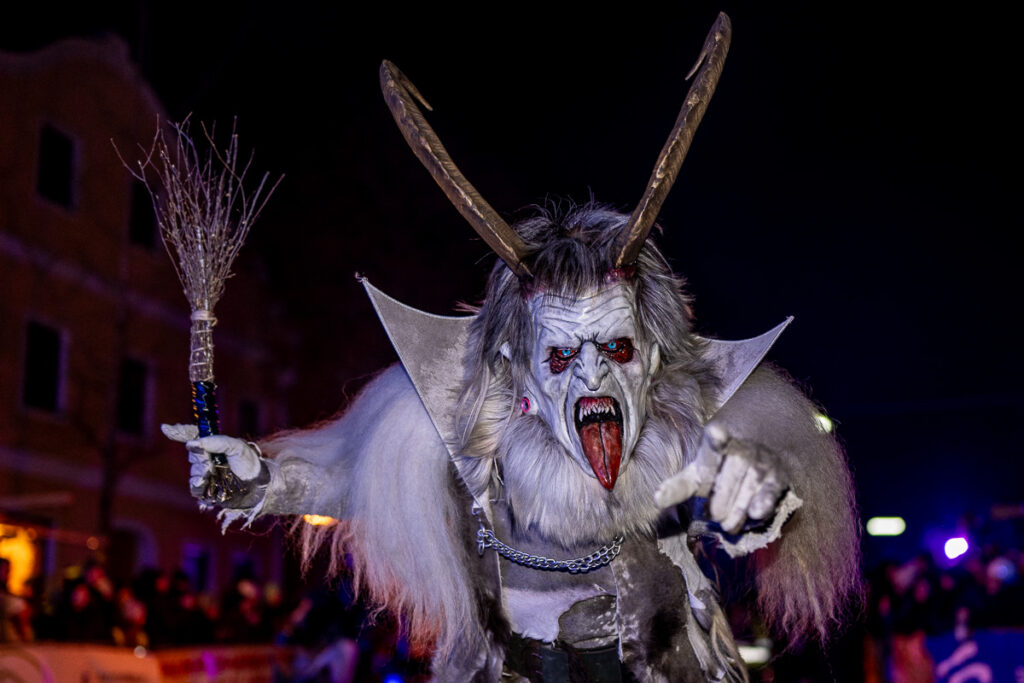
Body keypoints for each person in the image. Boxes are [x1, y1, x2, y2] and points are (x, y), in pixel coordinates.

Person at [165, 13, 860, 681]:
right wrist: (260, 478)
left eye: (617, 348)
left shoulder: (689, 430)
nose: (592, 373)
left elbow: (783, 488)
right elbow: (350, 483)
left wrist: (766, 488)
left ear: (651, 358)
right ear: (520, 373)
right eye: (561, 356)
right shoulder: (468, 438)